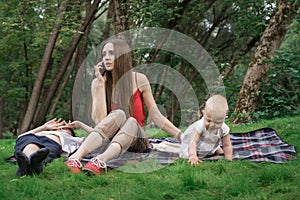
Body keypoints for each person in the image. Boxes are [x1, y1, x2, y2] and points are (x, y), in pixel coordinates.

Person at [65, 38, 182, 175]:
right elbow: (100, 122)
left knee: (131, 120)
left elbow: (156, 116)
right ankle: (75, 158)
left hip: (137, 140)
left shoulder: (139, 80)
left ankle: (99, 161)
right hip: (109, 139)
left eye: (111, 53)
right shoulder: (98, 83)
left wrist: (180, 135)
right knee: (119, 113)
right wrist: (101, 85)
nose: (106, 58)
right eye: (104, 54)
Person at [14, 119, 85, 176]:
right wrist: (44, 127)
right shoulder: (42, 132)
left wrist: (80, 125)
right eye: (57, 127)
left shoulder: (74, 139)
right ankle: (31, 163)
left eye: (65, 128)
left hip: (52, 143)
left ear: (71, 134)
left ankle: (25, 166)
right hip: (34, 139)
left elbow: (94, 137)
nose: (60, 128)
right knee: (28, 142)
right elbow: (20, 137)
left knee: (43, 152)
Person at [180, 94, 232, 165]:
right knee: (186, 155)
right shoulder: (200, 125)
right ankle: (212, 150)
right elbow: (193, 142)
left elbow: (227, 145)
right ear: (204, 112)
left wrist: (228, 159)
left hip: (209, 144)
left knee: (213, 147)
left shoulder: (224, 128)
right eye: (209, 120)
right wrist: (193, 156)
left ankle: (215, 149)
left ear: (224, 118)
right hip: (192, 146)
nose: (212, 125)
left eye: (217, 122)